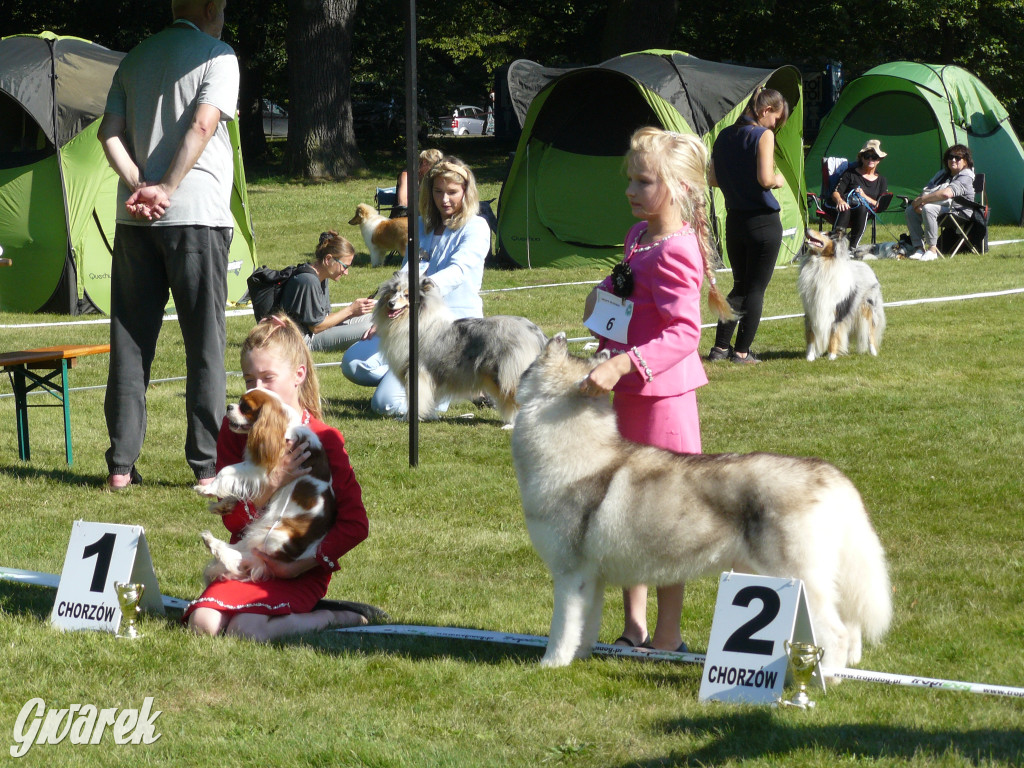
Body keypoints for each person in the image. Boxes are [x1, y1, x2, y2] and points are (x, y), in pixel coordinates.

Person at [580, 127, 733, 652]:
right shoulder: (638, 237)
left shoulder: (677, 251)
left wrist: (624, 362)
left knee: (667, 516)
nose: (631, 190)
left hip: (663, 401)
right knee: (628, 510)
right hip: (626, 395)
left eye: (644, 181)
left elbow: (684, 335)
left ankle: (668, 635)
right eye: (630, 179)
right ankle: (633, 627)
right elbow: (627, 301)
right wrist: (600, 308)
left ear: (679, 187)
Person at [98, 0, 239, 490]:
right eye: (221, 7)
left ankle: (120, 467)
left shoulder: (134, 58)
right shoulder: (219, 56)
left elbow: (108, 133)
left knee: (130, 343)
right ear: (206, 8)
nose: (224, 15)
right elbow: (204, 125)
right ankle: (206, 467)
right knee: (205, 343)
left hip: (135, 217)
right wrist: (169, 187)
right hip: (195, 214)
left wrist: (141, 183)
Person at [185, 313, 370, 641]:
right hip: (250, 559)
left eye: (268, 378)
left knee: (246, 631)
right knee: (203, 624)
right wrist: (272, 483)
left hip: (300, 565)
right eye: (248, 380)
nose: (256, 390)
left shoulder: (323, 438)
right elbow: (232, 523)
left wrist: (299, 565)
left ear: (298, 375)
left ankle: (333, 616)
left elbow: (355, 524)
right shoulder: (236, 431)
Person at [341, 156, 490, 417]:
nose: (444, 200)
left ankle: (446, 387)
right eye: (438, 192)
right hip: (410, 321)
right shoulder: (421, 226)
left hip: (451, 327)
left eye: (452, 192)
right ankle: (422, 379)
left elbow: (457, 271)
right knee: (353, 363)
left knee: (385, 405)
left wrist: (421, 291)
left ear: (466, 193)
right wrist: (386, 313)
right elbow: (411, 268)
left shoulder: (477, 227)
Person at [706, 87, 789, 364]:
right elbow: (765, 179)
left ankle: (719, 348)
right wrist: (778, 179)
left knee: (740, 285)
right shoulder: (763, 135)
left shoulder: (724, 135)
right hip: (762, 222)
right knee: (755, 289)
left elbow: (713, 179)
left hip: (735, 221)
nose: (775, 125)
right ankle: (742, 351)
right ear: (765, 110)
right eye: (776, 118)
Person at [277, 230, 376, 352]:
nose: (346, 273)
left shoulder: (322, 276)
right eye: (344, 266)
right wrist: (350, 310)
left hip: (316, 331)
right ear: (328, 259)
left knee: (375, 319)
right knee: (369, 327)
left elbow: (325, 317)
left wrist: (354, 312)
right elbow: (316, 327)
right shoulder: (308, 280)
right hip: (302, 340)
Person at [905, 144, 976, 261]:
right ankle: (918, 248)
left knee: (929, 208)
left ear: (965, 161)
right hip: (940, 207)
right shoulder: (942, 174)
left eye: (957, 158)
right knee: (910, 211)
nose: (953, 160)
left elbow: (946, 194)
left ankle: (932, 250)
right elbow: (926, 191)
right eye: (950, 157)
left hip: (959, 212)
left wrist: (922, 201)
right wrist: (918, 203)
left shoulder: (966, 175)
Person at [831, 139, 889, 248]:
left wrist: (864, 196)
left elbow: (879, 205)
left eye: (874, 157)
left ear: (879, 160)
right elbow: (836, 192)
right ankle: (835, 246)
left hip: (865, 211)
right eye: (867, 156)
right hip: (847, 206)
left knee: (862, 209)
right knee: (845, 208)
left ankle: (852, 248)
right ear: (861, 158)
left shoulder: (882, 180)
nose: (870, 159)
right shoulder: (850, 174)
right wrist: (840, 201)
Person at [392, 148, 444, 219]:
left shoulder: (430, 178)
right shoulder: (407, 175)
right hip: (403, 218)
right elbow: (403, 202)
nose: (436, 170)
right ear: (425, 162)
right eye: (434, 166)